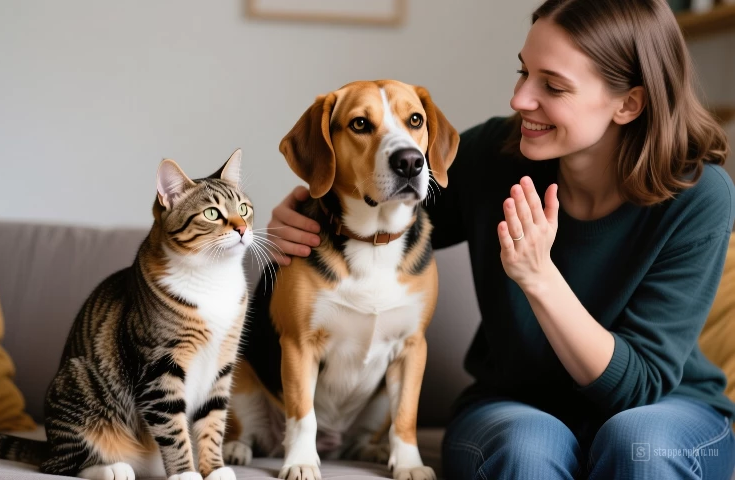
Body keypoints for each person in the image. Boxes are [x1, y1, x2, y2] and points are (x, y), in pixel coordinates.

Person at [264, 0, 735, 478]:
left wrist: (539, 277)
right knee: (526, 450)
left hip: (665, 409)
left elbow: (637, 388)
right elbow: (376, 210)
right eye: (522, 72)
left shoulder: (699, 198)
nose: (519, 99)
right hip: (515, 407)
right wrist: (301, 216)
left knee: (641, 447)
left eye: (551, 85)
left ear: (628, 102)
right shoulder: (494, 157)